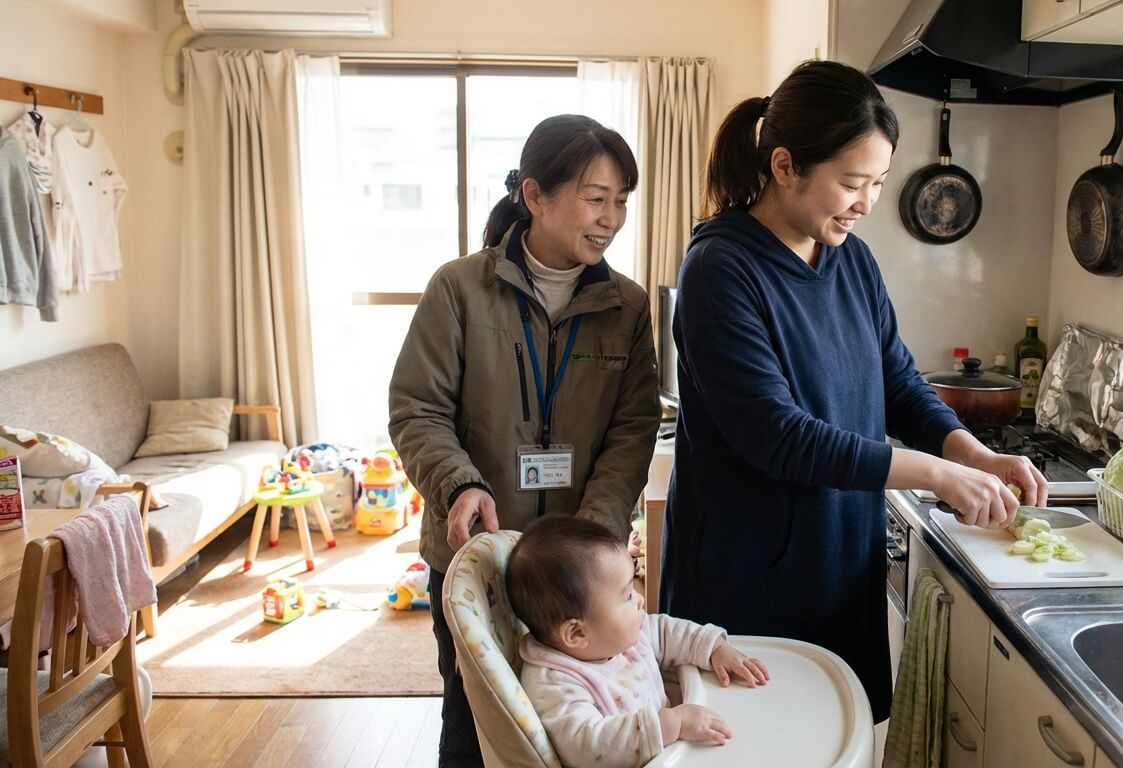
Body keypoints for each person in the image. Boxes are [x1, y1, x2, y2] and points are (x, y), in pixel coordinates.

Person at [658, 61, 1048, 723]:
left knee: (839, 740)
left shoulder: (850, 259)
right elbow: (776, 436)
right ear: (785, 166)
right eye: (852, 182)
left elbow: (897, 381)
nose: (867, 203)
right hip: (747, 579)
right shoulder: (720, 270)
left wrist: (973, 455)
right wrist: (934, 473)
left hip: (837, 565)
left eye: (878, 183)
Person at [389, 114, 661, 767]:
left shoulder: (626, 307)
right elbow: (417, 409)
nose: (612, 217)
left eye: (622, 201)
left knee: (581, 719)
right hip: (476, 555)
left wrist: (590, 540)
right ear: (535, 196)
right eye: (597, 198)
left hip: (578, 576)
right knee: (473, 720)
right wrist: (461, 483)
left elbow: (633, 428)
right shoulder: (458, 289)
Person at [507, 516, 769, 768]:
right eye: (626, 596)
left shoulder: (617, 635)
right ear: (576, 634)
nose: (640, 600)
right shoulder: (555, 684)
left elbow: (667, 632)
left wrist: (714, 649)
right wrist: (671, 724)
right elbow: (588, 747)